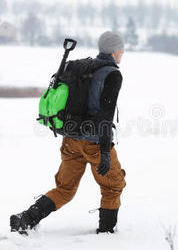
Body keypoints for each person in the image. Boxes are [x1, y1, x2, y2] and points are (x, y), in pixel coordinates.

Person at [10, 31, 126, 234]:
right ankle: (107, 233)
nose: (123, 53)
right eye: (121, 49)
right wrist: (105, 151)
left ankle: (26, 219)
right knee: (113, 186)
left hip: (71, 139)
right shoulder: (112, 74)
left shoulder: (83, 66)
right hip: (95, 143)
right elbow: (105, 117)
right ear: (116, 50)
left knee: (65, 189)